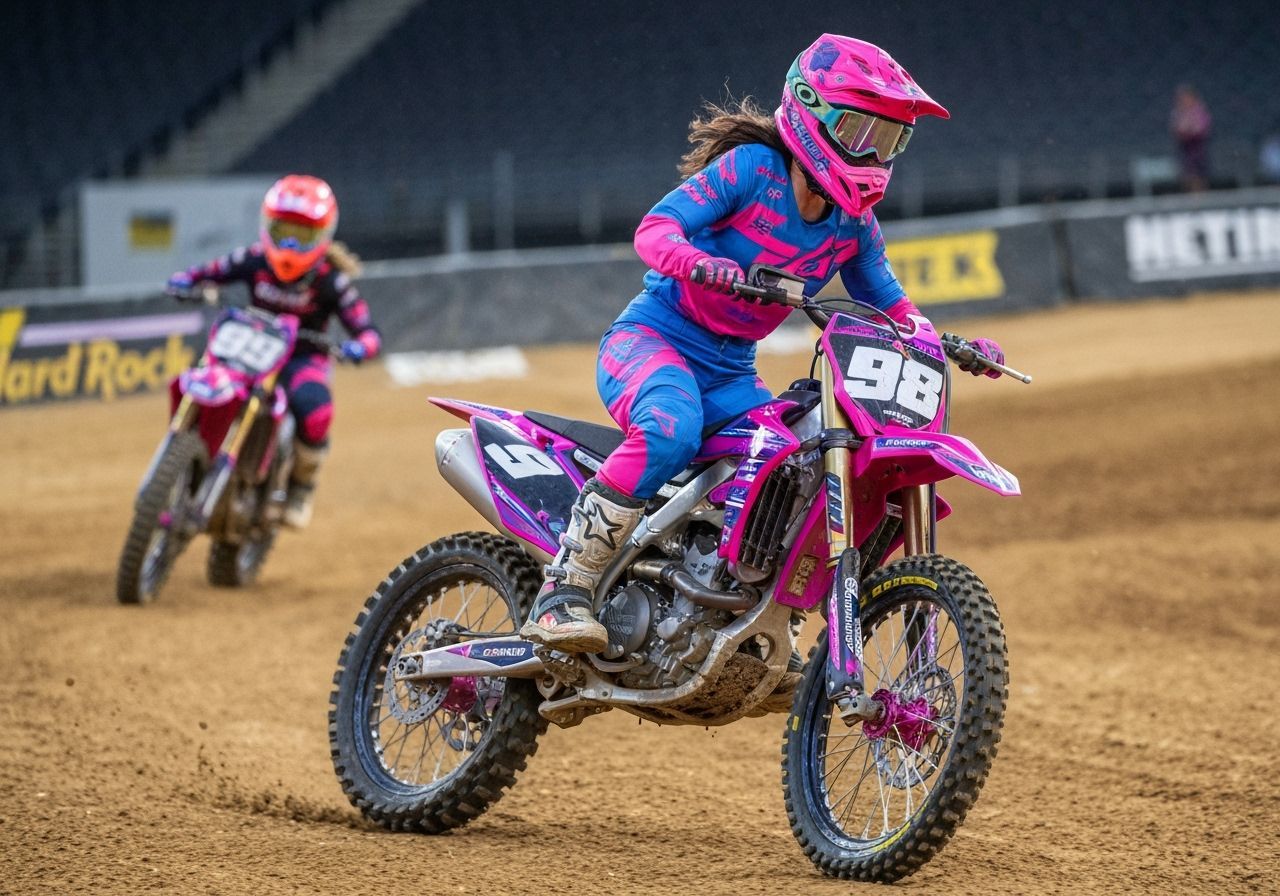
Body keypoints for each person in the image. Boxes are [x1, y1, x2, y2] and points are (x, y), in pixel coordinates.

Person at [520, 34, 1006, 653]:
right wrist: (700, 264)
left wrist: (941, 343)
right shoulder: (752, 171)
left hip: (731, 371)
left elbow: (891, 303)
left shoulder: (853, 224)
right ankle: (566, 588)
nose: (875, 154)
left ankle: (737, 609)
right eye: (862, 132)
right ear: (812, 114)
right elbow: (654, 230)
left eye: (889, 140)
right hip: (652, 340)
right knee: (672, 425)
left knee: (791, 463)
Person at [166, 174, 382, 529]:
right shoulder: (254, 258)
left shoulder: (331, 280)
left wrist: (360, 346)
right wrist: (186, 280)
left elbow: (367, 328)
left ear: (323, 236)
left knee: (315, 411)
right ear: (268, 226)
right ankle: (189, 450)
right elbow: (211, 272)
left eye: (304, 236)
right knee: (204, 379)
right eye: (284, 232)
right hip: (248, 349)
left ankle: (300, 487)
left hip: (302, 359)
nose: (292, 245)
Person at [1170, 85, 1211, 193]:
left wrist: (1189, 129)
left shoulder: (1199, 111)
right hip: (1184, 149)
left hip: (1197, 149)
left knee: (1197, 176)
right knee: (1186, 177)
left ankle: (1199, 198)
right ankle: (1190, 198)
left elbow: (1201, 129)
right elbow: (1177, 129)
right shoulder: (1178, 112)